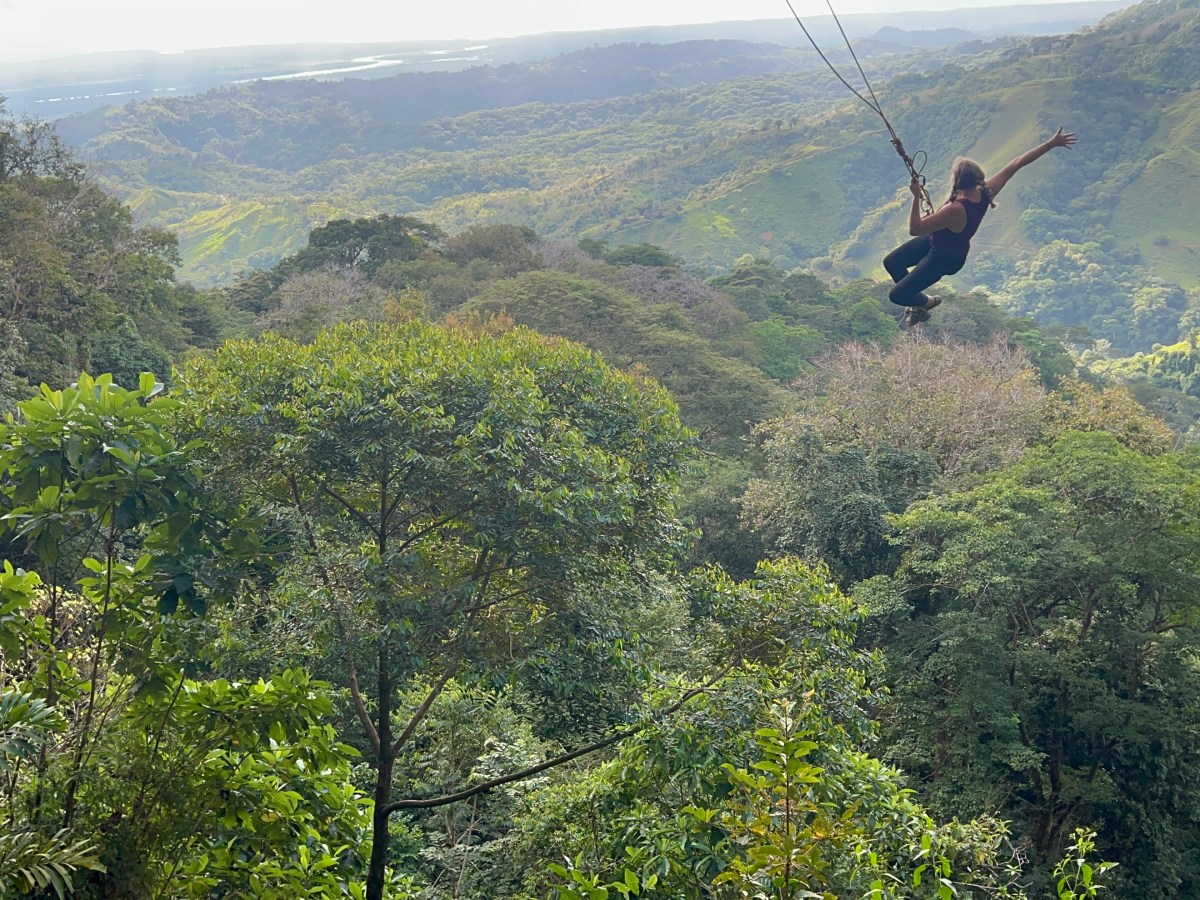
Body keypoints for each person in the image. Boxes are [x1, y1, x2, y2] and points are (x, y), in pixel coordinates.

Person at [883, 126, 1077, 325]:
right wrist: (1050, 144)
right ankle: (917, 304)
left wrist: (916, 196)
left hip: (944, 257)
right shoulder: (985, 192)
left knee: (897, 295)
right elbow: (1016, 163)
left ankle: (926, 302)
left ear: (958, 181)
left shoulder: (956, 209)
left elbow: (915, 229)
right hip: (939, 240)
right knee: (892, 262)